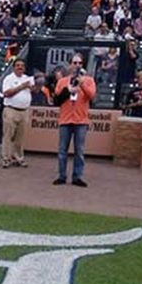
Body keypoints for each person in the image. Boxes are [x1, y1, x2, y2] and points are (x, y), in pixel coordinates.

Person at [53, 54, 96, 187]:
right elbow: (57, 100)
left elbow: (91, 95)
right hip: (65, 119)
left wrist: (82, 83)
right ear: (70, 64)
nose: (77, 65)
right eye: (75, 63)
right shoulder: (62, 81)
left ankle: (77, 176)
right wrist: (68, 90)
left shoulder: (88, 80)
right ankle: (62, 176)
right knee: (62, 150)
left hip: (80, 120)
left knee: (79, 150)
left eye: (79, 63)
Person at [1, 59, 33, 168]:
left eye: (22, 66)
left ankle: (18, 158)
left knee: (20, 137)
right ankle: (6, 158)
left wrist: (36, 84)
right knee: (8, 135)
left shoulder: (27, 78)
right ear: (14, 67)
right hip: (11, 110)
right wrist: (21, 87)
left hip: (24, 111)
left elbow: (35, 90)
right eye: (18, 65)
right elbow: (6, 93)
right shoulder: (8, 79)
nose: (20, 67)